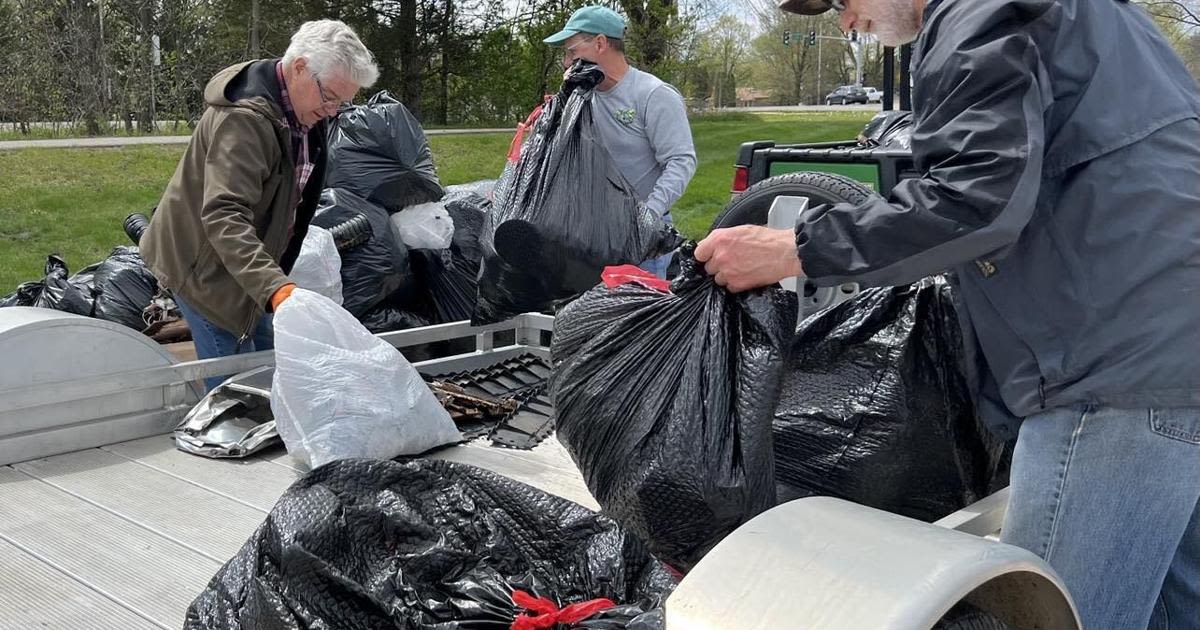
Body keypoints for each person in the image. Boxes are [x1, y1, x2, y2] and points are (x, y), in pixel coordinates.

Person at [696, 0, 1200, 627]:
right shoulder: (1092, 19)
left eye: (842, 3)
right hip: (1170, 348)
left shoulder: (978, 12)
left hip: (1107, 369)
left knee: (1055, 615)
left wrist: (793, 248)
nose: (846, 24)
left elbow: (976, 197)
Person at [141, 20, 378, 391]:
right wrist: (274, 287)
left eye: (343, 103)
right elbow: (224, 215)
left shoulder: (303, 112)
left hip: (243, 268)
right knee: (234, 388)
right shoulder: (245, 121)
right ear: (300, 67)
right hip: (201, 269)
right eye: (330, 96)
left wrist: (274, 281)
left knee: (271, 361)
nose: (334, 110)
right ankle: (221, 440)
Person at [544, 5, 697, 278]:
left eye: (572, 52)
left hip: (639, 240)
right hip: (587, 234)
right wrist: (561, 107)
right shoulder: (581, 96)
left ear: (600, 43)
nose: (567, 63)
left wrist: (647, 218)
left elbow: (681, 161)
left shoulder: (652, 95)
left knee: (637, 319)